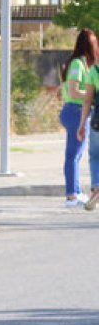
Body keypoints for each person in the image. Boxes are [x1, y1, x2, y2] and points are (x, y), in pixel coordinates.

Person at [66, 28, 99, 207]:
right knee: (75, 154)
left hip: (87, 114)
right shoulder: (79, 64)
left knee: (85, 154)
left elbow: (81, 96)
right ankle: (74, 194)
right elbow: (73, 91)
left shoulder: (90, 69)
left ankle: (82, 190)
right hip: (75, 110)